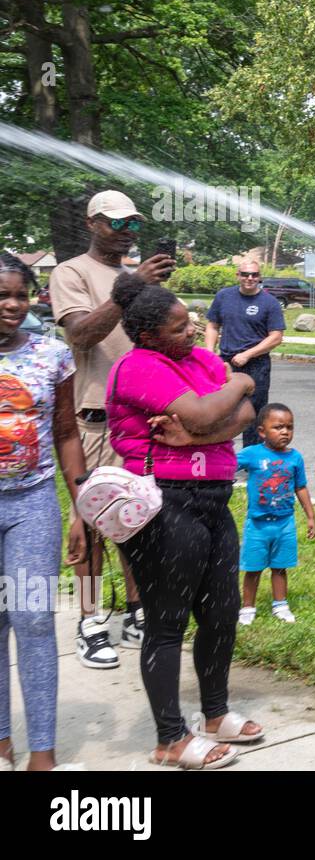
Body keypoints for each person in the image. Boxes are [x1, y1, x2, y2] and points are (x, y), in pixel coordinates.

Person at [106, 273, 263, 769]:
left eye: (189, 321)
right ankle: (170, 738)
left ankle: (214, 713)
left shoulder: (199, 359)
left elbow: (244, 413)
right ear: (148, 335)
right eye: (177, 328)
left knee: (221, 610)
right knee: (167, 621)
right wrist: (236, 384)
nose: (191, 331)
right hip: (165, 503)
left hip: (214, 496)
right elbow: (202, 411)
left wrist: (200, 432)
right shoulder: (137, 367)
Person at [49, 190, 172, 668]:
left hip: (142, 420)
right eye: (116, 222)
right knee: (92, 522)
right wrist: (130, 288)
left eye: (133, 223)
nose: (126, 231)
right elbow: (81, 334)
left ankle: (137, 610)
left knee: (137, 518)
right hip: (95, 419)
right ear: (92, 224)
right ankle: (90, 620)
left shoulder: (136, 276)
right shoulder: (72, 272)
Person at [0, 253, 88, 770]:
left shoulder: (52, 355)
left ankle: (43, 753)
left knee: (33, 617)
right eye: (2, 295)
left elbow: (67, 432)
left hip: (32, 503)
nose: (13, 305)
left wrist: (81, 509)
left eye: (21, 295)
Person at [236, 403, 315, 625]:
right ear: (262, 431)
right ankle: (248, 607)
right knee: (253, 568)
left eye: (289, 427)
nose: (285, 432)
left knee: (280, 567)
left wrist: (310, 516)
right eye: (278, 427)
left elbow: (300, 487)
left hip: (285, 523)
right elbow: (228, 465)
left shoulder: (295, 458)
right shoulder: (252, 454)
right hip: (257, 524)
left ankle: (280, 605)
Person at [204, 263, 286, 447]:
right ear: (238, 275)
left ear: (259, 276)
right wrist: (210, 354)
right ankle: (219, 452)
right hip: (226, 363)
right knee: (221, 411)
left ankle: (251, 456)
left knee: (253, 414)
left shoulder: (269, 302)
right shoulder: (224, 296)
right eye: (245, 274)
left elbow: (276, 337)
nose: (250, 278)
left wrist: (248, 354)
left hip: (256, 365)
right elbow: (213, 326)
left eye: (254, 275)